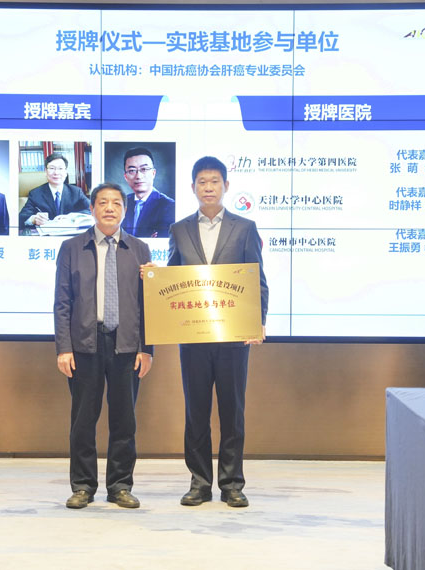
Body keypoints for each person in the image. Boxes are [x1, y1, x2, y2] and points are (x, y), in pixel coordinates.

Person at [167, 156, 268, 508]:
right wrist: (152, 277)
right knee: (196, 411)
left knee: (231, 411)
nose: (208, 187)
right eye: (202, 181)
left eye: (214, 181)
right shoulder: (179, 229)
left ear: (226, 185)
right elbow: (172, 278)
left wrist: (258, 320)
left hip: (234, 335)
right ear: (192, 187)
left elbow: (257, 279)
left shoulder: (245, 227)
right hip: (193, 335)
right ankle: (199, 483)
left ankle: (232, 483)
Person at [54, 182, 153, 510]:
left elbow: (147, 304)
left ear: (124, 209)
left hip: (127, 345)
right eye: (103, 203)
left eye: (116, 203)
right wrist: (63, 347)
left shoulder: (139, 249)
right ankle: (83, 486)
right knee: (83, 420)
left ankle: (120, 486)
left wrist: (147, 348)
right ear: (92, 209)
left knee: (124, 420)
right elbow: (62, 302)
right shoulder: (72, 247)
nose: (110, 208)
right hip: (85, 344)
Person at [18, 152, 90, 231]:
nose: (56, 173)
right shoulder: (35, 194)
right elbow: (21, 217)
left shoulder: (76, 192)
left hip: (70, 235)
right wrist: (33, 219)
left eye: (60, 169)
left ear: (66, 172)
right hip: (46, 235)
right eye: (52, 168)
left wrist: (71, 217)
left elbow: (93, 209)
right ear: (46, 171)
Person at [121, 147, 175, 238]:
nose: (138, 176)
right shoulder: (121, 203)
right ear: (126, 177)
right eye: (132, 171)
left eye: (144, 169)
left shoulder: (169, 206)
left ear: (153, 173)